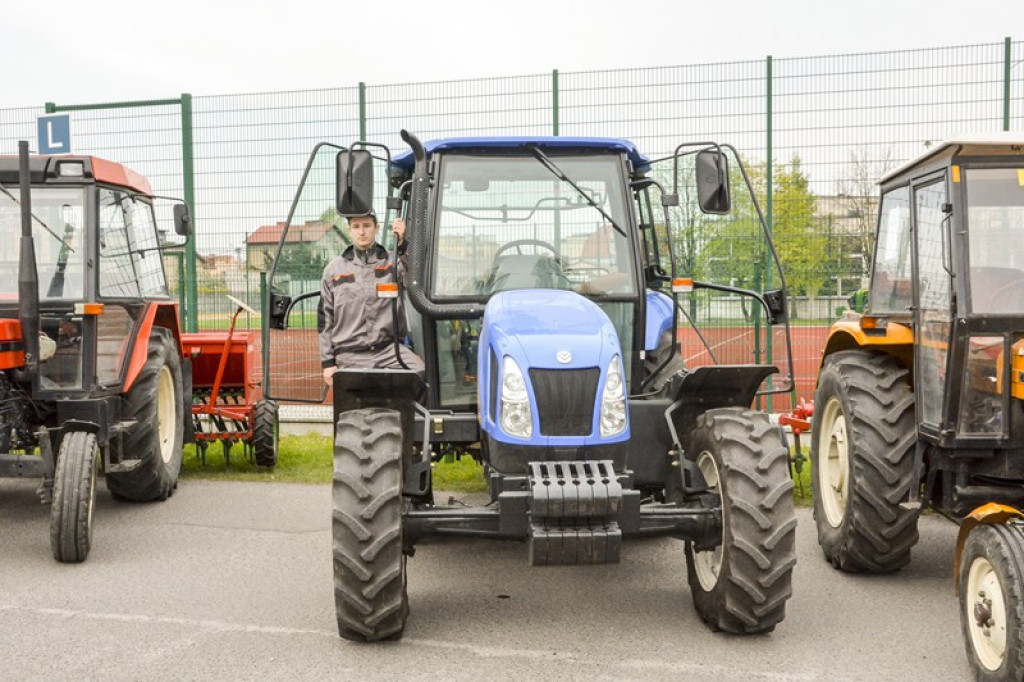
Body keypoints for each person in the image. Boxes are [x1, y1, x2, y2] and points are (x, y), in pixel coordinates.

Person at [319, 211, 425, 386]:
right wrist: (328, 363)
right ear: (349, 230)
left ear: (377, 228)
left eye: (367, 226)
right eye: (356, 227)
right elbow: (325, 319)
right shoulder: (333, 270)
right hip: (350, 354)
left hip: (389, 350)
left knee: (419, 373)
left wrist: (402, 244)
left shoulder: (393, 262)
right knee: (355, 396)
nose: (362, 232)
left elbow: (414, 275)